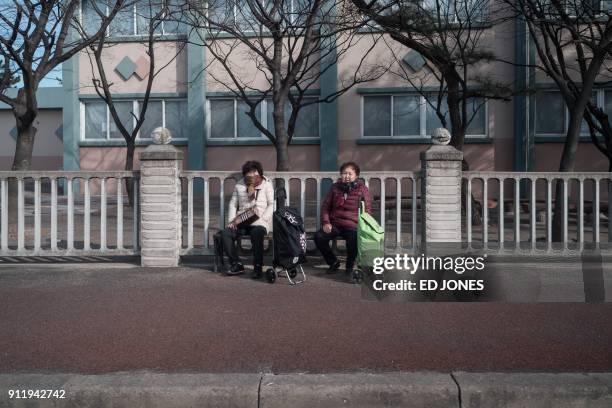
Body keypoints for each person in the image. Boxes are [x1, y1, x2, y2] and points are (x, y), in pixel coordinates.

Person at [315, 162, 372, 276]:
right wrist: (326, 222)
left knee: (353, 239)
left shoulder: (362, 189)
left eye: (350, 174)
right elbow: (326, 206)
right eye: (344, 173)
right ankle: (333, 262)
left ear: (356, 175)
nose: (347, 176)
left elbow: (367, 211)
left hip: (353, 224)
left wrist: (364, 227)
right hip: (335, 223)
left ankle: (349, 266)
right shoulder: (335, 187)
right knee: (319, 237)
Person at [221, 161, 274, 279]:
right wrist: (231, 221)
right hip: (242, 221)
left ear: (259, 173)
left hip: (259, 222)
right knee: (226, 234)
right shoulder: (239, 185)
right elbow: (233, 204)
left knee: (257, 234)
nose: (252, 175)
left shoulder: (266, 184)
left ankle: (258, 266)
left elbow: (272, 204)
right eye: (249, 172)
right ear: (245, 174)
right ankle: (237, 264)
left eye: (255, 172)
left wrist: (264, 218)